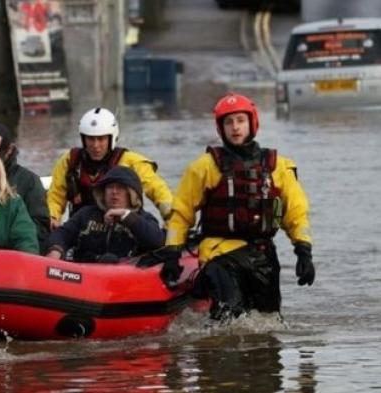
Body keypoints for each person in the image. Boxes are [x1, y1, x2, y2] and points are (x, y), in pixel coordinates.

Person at [160, 93, 315, 322]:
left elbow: (295, 213)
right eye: (229, 122)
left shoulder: (278, 167)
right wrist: (172, 253)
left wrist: (304, 252)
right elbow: (181, 213)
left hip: (262, 255)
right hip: (220, 253)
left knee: (268, 321)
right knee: (230, 319)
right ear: (221, 128)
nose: (235, 127)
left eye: (241, 120)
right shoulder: (205, 167)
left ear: (252, 123)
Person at [46, 107, 173, 230]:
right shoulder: (70, 161)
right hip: (81, 228)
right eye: (90, 139)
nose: (96, 145)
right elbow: (55, 196)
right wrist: (52, 217)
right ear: (83, 139)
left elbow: (157, 190)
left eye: (101, 139)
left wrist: (172, 219)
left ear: (112, 138)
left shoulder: (131, 161)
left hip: (120, 229)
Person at [46, 166, 164, 262]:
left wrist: (126, 216)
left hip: (127, 279)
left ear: (131, 194)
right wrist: (56, 249)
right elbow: (62, 233)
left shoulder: (144, 219)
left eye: (120, 188)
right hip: (85, 275)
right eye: (110, 187)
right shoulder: (86, 214)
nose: (114, 192)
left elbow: (157, 242)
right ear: (102, 192)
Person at [0, 122, 50, 249]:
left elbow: (41, 228)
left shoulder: (29, 181)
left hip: (13, 253)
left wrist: (3, 236)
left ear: (10, 150)